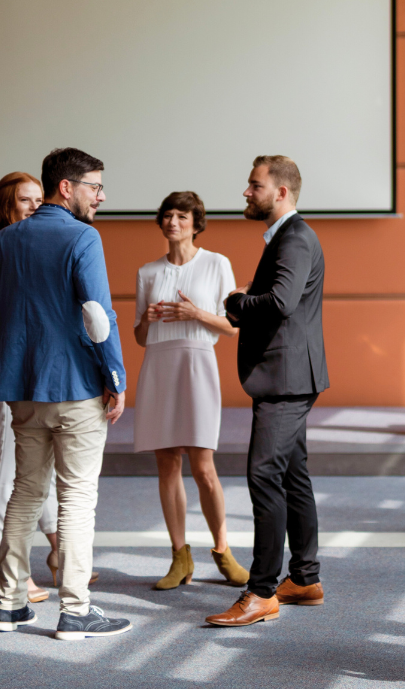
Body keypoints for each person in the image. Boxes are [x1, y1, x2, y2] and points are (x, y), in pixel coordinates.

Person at [0, 148, 131, 640]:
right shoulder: (82, 237)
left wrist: (3, 374)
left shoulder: (2, 242)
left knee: (25, 492)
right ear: (66, 187)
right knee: (76, 498)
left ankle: (10, 605)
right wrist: (116, 378)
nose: (101, 196)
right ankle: (75, 611)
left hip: (21, 390)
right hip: (75, 389)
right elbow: (97, 315)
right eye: (95, 186)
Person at [206, 156, 328, 627]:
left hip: (285, 380)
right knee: (293, 476)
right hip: (290, 376)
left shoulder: (294, 238)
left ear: (281, 192)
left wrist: (238, 302)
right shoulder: (290, 236)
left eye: (254, 185)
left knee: (263, 475)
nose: (246, 192)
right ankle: (304, 579)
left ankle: (261, 592)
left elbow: (281, 301)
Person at [133, 191, 249, 591]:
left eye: (182, 216)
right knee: (167, 465)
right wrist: (147, 319)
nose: (173, 222)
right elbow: (139, 338)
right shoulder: (147, 272)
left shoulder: (217, 263)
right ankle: (179, 556)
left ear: (196, 223)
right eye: (167, 215)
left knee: (203, 467)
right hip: (159, 366)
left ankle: (223, 551)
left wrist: (194, 313)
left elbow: (233, 327)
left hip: (198, 363)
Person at [0, 172, 59, 602]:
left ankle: (58, 550)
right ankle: (13, 572)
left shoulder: (36, 245)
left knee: (39, 464)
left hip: (39, 369)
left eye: (38, 199)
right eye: (25, 200)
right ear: (6, 205)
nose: (35, 207)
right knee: (9, 467)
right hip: (6, 371)